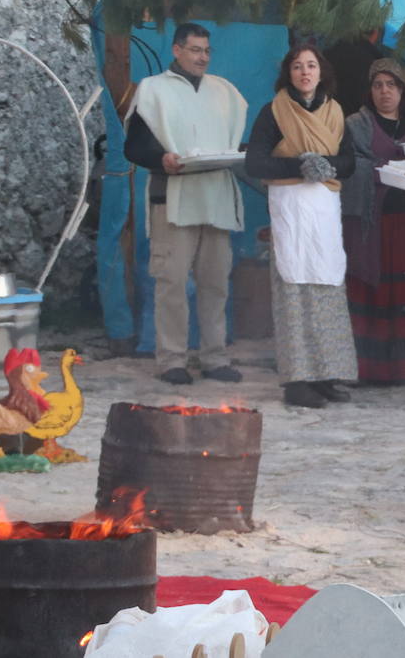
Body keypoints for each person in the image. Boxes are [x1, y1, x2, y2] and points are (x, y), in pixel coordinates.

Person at [123, 23, 248, 386]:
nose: (202, 57)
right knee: (172, 282)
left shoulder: (224, 91)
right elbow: (134, 147)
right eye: (195, 50)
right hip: (173, 197)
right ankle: (171, 359)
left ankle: (214, 356)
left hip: (215, 196)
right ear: (176, 50)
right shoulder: (153, 90)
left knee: (215, 282)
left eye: (207, 50)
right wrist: (161, 158)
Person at [246, 44, 359, 408]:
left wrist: (326, 166)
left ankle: (326, 374)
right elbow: (256, 163)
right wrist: (299, 166)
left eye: (311, 66)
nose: (305, 72)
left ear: (321, 71)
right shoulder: (274, 112)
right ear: (288, 73)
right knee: (295, 293)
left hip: (323, 208)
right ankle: (298, 381)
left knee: (326, 288)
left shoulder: (335, 111)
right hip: (292, 208)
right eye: (297, 66)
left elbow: (349, 161)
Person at [340, 59, 405, 383]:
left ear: (403, 89)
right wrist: (378, 171)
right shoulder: (356, 125)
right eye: (377, 85)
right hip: (373, 227)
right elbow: (346, 164)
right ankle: (373, 367)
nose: (384, 91)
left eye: (391, 85)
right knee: (374, 285)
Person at [324, 28, 388, 116]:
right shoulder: (377, 68)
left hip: (320, 116)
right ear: (375, 34)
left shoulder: (331, 51)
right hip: (349, 124)